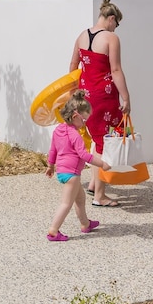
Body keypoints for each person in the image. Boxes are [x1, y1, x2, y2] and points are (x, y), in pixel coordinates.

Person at [69, 0, 130, 207]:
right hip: (103, 96)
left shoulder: (81, 36)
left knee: (97, 138)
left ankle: (95, 183)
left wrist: (74, 94)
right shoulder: (111, 39)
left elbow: (73, 66)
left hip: (85, 95)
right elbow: (115, 70)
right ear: (111, 18)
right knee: (105, 143)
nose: (116, 28)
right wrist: (126, 97)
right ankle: (100, 196)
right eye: (117, 23)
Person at [46, 92, 111, 241]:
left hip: (63, 173)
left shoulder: (58, 131)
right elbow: (84, 155)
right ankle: (53, 231)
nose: (85, 123)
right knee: (66, 203)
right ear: (75, 117)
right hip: (72, 175)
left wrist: (50, 166)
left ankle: (85, 224)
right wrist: (102, 164)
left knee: (80, 199)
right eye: (84, 120)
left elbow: (53, 150)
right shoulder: (75, 135)